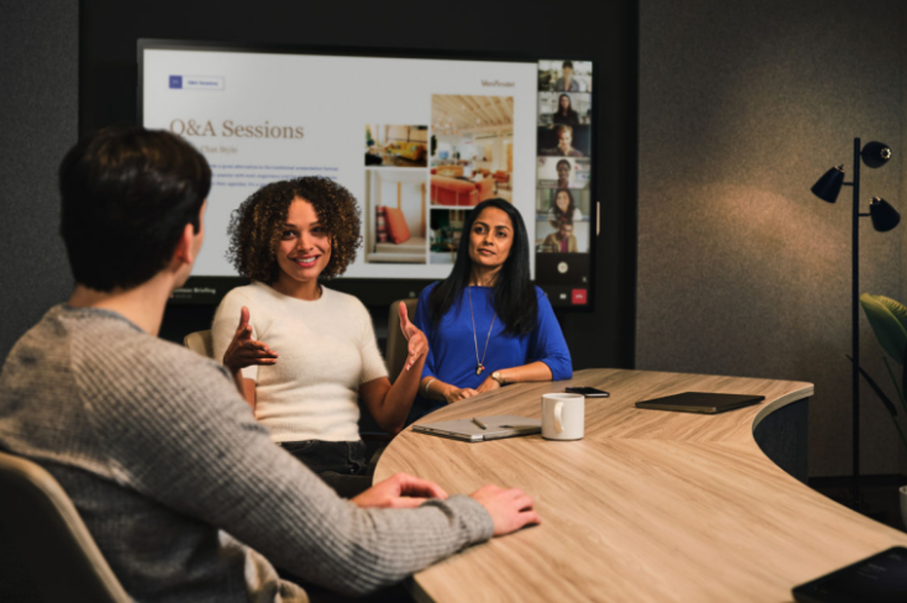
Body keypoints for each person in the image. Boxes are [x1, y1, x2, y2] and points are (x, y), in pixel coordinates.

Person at [0, 127, 539, 602]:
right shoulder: (175, 385)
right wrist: (476, 513)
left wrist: (341, 515)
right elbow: (353, 557)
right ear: (187, 243)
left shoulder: (29, 356)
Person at [212, 177, 421, 497]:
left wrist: (415, 360)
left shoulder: (350, 308)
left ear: (336, 235)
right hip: (283, 467)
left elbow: (389, 418)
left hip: (350, 464)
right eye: (287, 233)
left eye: (318, 230)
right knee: (422, 498)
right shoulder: (245, 304)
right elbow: (239, 435)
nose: (306, 245)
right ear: (265, 241)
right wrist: (232, 368)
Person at [409, 198, 572, 420]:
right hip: (440, 416)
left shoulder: (532, 298)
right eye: (480, 230)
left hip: (504, 418)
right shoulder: (433, 296)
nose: (488, 240)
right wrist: (449, 392)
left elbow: (561, 364)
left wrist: (499, 376)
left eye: (500, 234)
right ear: (468, 236)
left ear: (514, 246)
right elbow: (418, 373)